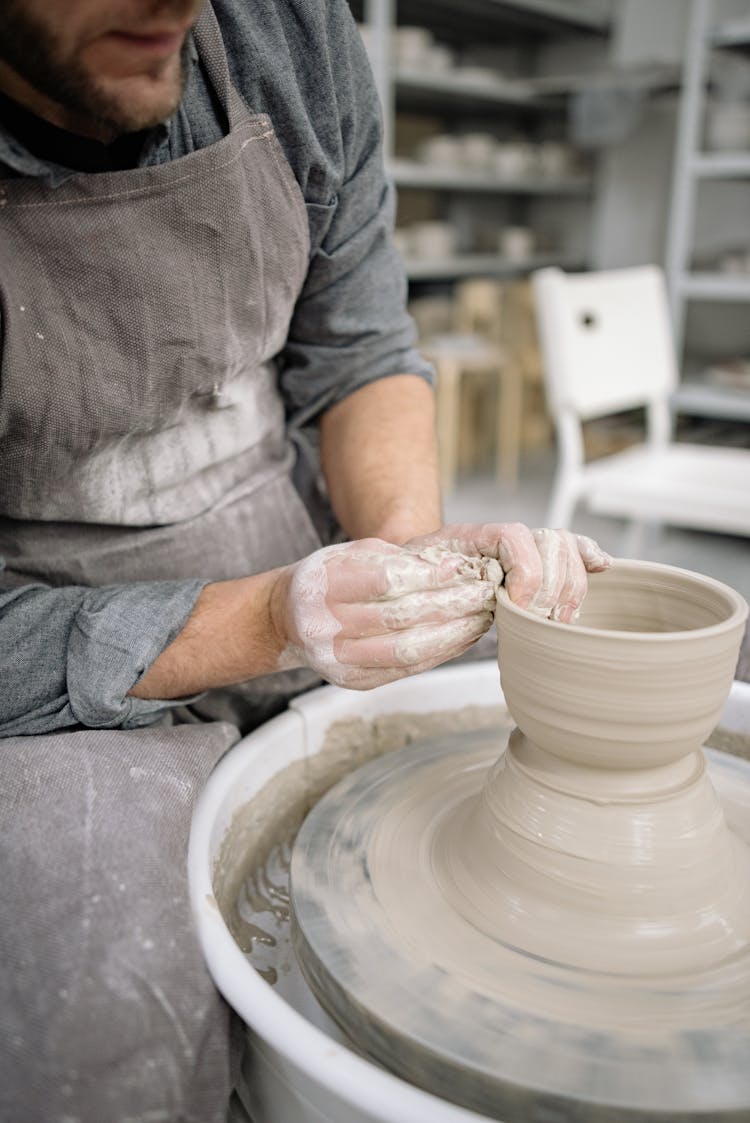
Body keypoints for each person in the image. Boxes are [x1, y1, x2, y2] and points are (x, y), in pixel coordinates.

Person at [0, 1, 611, 1119]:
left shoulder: (286, 27)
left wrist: (398, 561)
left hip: (279, 533)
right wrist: (267, 623)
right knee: (102, 986)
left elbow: (362, 347)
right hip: (45, 630)